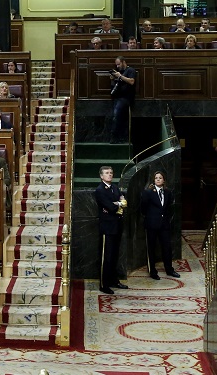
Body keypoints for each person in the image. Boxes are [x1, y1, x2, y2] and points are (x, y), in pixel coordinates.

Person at [140, 170, 180, 280]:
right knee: (151, 248)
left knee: (167, 247)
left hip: (164, 225)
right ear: (154, 180)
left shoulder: (168, 192)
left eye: (160, 178)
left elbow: (169, 208)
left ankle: (169, 270)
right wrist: (150, 217)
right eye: (156, 178)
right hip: (151, 224)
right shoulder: (148, 192)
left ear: (164, 180)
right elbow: (143, 208)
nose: (158, 179)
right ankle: (152, 271)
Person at [95, 166, 125, 294]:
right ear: (101, 176)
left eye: (111, 173)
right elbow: (110, 206)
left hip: (117, 225)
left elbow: (122, 201)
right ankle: (104, 284)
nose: (110, 175)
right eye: (107, 173)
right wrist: (118, 203)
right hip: (107, 227)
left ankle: (114, 280)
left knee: (114, 255)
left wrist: (117, 203)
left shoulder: (115, 188)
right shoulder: (100, 190)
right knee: (106, 256)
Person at [109, 56, 136, 143]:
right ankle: (119, 136)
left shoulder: (130, 70)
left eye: (119, 64)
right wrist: (113, 78)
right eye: (116, 65)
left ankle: (115, 136)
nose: (117, 66)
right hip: (117, 97)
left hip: (126, 97)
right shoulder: (119, 71)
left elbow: (131, 81)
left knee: (117, 115)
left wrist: (120, 76)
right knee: (118, 116)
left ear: (123, 62)